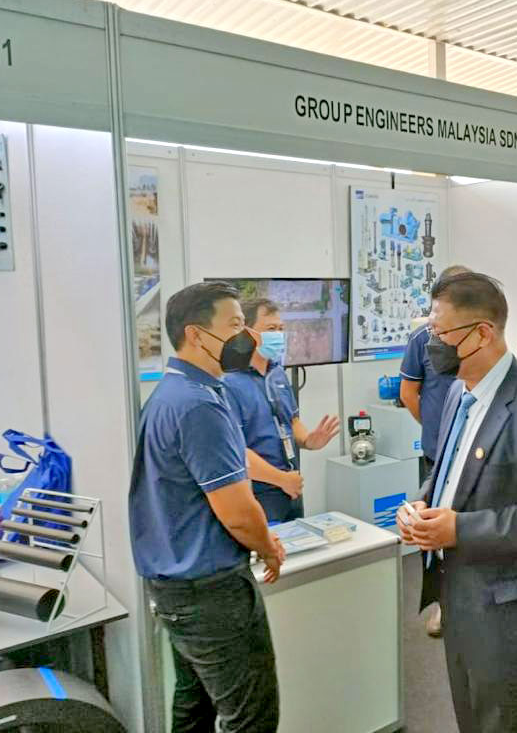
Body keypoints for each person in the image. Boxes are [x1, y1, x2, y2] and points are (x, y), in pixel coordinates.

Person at [396, 272, 517, 733]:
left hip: (511, 613)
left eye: (440, 332)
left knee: (509, 720)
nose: (431, 344)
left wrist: (459, 529)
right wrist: (420, 505)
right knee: (472, 713)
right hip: (460, 595)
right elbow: (449, 470)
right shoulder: (459, 391)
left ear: (482, 333)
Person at [129, 281, 287, 733]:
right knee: (251, 717)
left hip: (179, 587)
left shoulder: (174, 392)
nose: (248, 337)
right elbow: (236, 511)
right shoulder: (198, 405)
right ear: (196, 335)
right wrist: (268, 547)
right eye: (235, 325)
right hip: (210, 593)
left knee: (194, 706)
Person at [399, 264, 471, 637]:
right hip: (437, 452)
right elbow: (408, 393)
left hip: (475, 450)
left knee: (467, 528)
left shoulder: (475, 336)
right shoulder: (421, 339)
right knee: (435, 530)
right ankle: (443, 604)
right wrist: (434, 428)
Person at [223, 298, 340, 523]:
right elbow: (234, 450)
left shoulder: (277, 373)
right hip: (257, 492)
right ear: (247, 333)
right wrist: (280, 479)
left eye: (280, 328)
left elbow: (291, 421)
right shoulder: (229, 382)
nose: (278, 335)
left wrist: (309, 440)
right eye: (270, 329)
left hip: (290, 487)